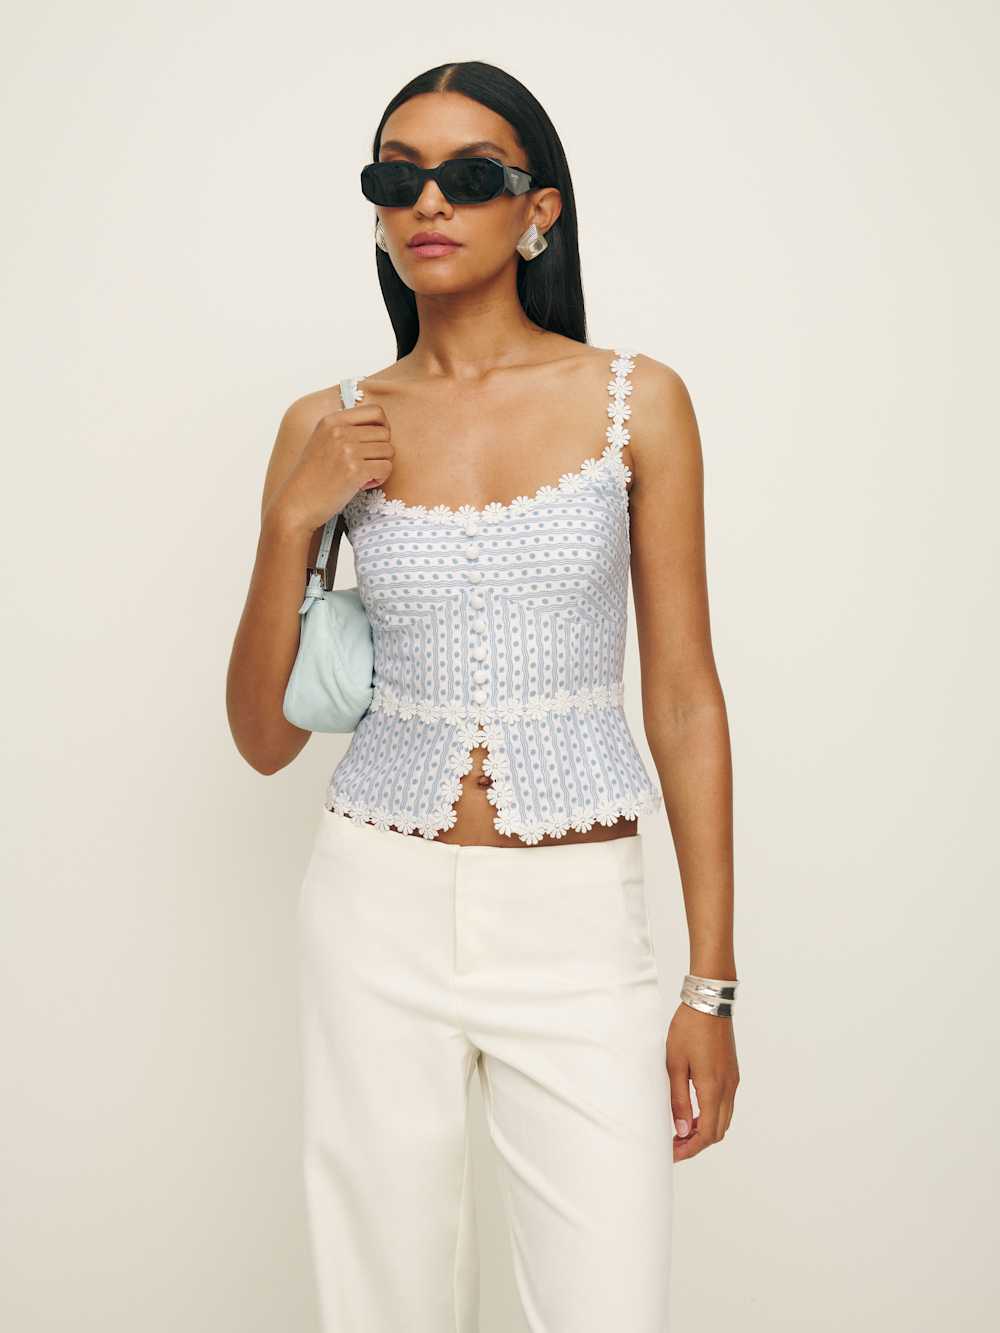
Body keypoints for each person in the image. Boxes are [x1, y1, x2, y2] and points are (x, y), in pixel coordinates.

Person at [227, 59, 739, 1333]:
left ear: (537, 209)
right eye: (396, 176)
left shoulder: (637, 403)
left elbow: (683, 697)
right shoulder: (327, 424)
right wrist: (293, 518)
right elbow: (260, 737)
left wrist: (709, 984)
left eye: (467, 175)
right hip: (373, 906)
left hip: (575, 919)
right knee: (383, 1301)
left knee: (606, 1305)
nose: (428, 203)